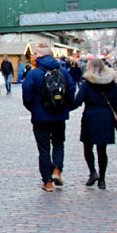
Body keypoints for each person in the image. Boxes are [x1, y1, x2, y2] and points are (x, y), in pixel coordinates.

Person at [22, 44, 76, 192]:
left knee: (44, 149)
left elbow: (26, 94)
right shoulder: (63, 71)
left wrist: (34, 109)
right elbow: (71, 90)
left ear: (40, 56)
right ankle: (57, 170)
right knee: (58, 143)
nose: (33, 56)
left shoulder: (34, 73)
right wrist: (65, 108)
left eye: (35, 54)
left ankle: (48, 182)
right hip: (59, 116)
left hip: (40, 117)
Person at [73, 58, 117, 190]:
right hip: (106, 118)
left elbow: (78, 101)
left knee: (88, 147)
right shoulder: (111, 83)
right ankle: (102, 179)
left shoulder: (87, 83)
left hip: (90, 117)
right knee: (102, 150)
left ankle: (93, 172)